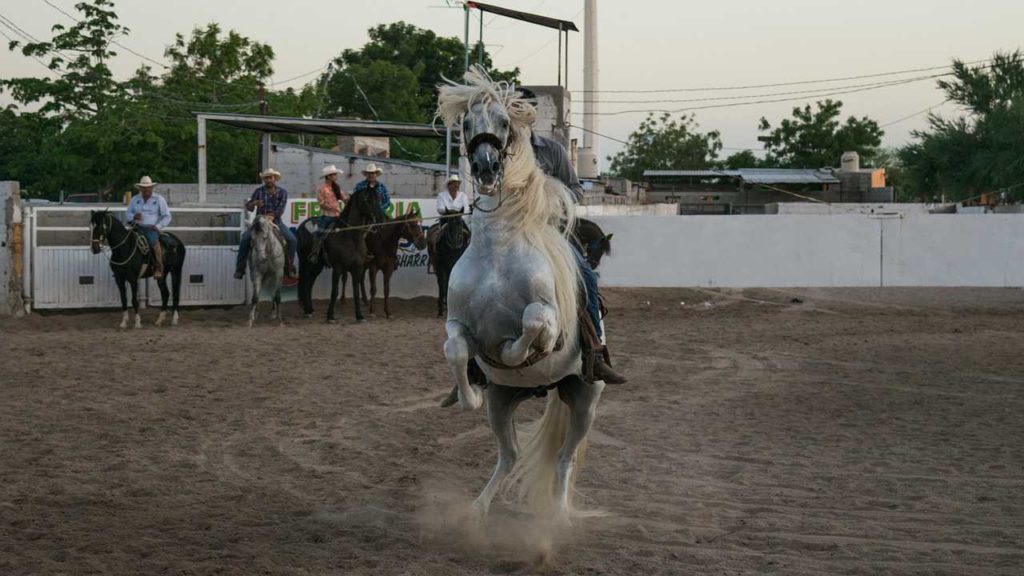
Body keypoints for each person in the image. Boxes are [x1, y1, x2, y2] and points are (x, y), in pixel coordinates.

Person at [234, 168, 298, 283]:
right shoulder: (258, 191)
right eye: (267, 178)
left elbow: (281, 208)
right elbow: (249, 207)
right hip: (259, 222)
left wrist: (272, 216)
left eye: (271, 177)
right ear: (264, 180)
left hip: (276, 221)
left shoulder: (282, 192)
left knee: (292, 240)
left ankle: (289, 266)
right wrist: (254, 203)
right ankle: (240, 268)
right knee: (245, 239)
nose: (269, 180)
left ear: (275, 179)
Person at [125, 175, 171, 279]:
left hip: (151, 228)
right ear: (140, 188)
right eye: (144, 188)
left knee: (153, 242)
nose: (146, 189)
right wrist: (133, 216)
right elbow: (127, 214)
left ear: (151, 188)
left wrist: (158, 226)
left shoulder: (159, 199)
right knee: (125, 240)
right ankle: (125, 267)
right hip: (137, 226)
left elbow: (167, 216)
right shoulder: (135, 199)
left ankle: (158, 267)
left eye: (148, 187)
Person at [427, 174, 470, 269]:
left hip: (459, 220)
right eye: (454, 184)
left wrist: (456, 212)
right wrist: (451, 212)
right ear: (449, 185)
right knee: (437, 237)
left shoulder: (463, 196)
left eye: (457, 184)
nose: (456, 186)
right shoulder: (441, 195)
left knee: (469, 234)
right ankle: (435, 257)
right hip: (446, 219)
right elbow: (440, 209)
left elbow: (466, 209)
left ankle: (469, 257)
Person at [309, 165, 348, 262]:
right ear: (329, 176)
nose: (336, 176)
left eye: (335, 174)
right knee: (319, 233)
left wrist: (350, 200)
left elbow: (344, 198)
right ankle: (315, 253)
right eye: (334, 174)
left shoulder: (337, 187)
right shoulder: (321, 189)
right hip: (327, 216)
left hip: (338, 216)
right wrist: (333, 207)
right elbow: (321, 204)